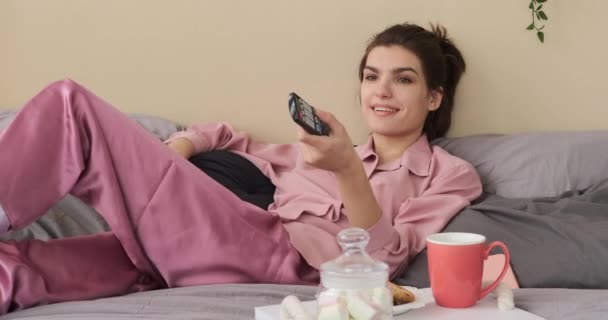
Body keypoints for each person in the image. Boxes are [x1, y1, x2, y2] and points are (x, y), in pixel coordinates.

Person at [0, 22, 482, 313]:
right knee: (23, 266)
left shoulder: (449, 173)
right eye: (371, 77)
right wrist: (174, 155)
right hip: (215, 248)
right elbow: (225, 134)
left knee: (71, 106)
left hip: (288, 266)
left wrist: (347, 173)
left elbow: (385, 261)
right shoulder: (315, 151)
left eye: (402, 79)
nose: (381, 91)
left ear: (433, 96)